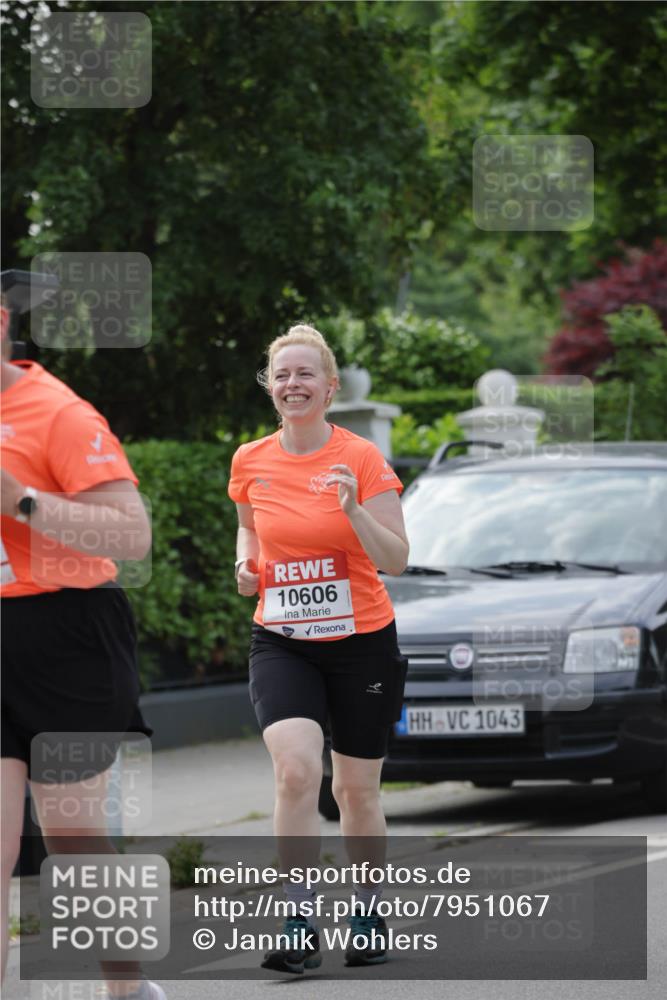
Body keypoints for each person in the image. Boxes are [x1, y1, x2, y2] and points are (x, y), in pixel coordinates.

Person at [228, 324, 409, 974]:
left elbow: (397, 560)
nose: (292, 384)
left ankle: (366, 909)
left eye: (305, 374)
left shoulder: (360, 457)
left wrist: (355, 510)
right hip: (282, 640)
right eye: (281, 375)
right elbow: (248, 535)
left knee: (356, 792)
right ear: (269, 388)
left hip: (361, 642)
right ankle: (298, 917)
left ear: (329, 388)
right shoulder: (249, 459)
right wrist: (246, 567)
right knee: (297, 770)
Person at [0, 296, 165, 1000]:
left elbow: (131, 537)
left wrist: (22, 501)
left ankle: (127, 991)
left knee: (74, 841)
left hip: (68, 636)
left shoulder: (57, 412)